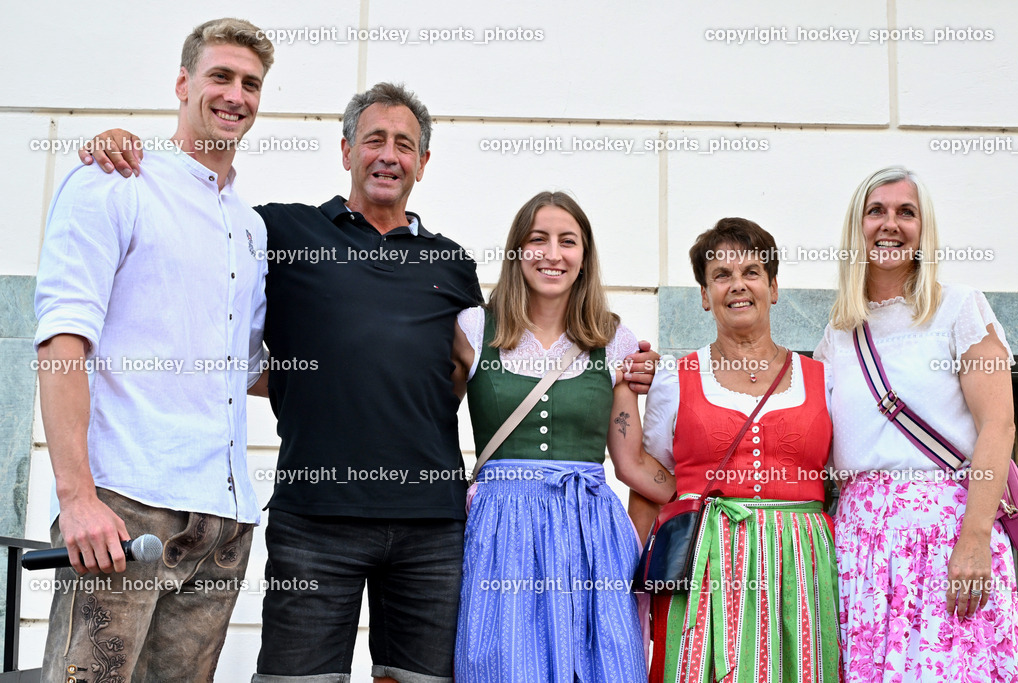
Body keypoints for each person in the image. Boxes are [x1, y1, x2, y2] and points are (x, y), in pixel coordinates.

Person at [79, 84, 661, 683]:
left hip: (431, 527)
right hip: (315, 516)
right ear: (346, 150)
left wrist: (629, 367)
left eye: (404, 144)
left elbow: (490, 364)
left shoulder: (453, 265)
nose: (388, 154)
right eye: (374, 140)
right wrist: (137, 155)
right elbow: (205, 219)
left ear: (423, 163)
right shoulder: (282, 232)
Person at [33, 18, 273, 682]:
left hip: (222, 521)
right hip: (122, 506)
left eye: (250, 83)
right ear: (183, 83)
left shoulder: (250, 228)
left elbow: (247, 368)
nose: (236, 94)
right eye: (220, 76)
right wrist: (76, 494)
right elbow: (61, 343)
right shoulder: (115, 181)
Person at [450, 191, 675, 682]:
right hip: (500, 532)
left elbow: (632, 463)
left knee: (601, 667)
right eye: (539, 240)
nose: (553, 254)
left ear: (584, 257)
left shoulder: (612, 339)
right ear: (517, 252)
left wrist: (706, 475)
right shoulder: (474, 328)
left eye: (567, 241)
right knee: (499, 665)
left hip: (589, 531)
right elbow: (427, 423)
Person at [814, 166, 1018, 682]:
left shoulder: (959, 308)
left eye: (906, 212)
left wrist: (974, 537)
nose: (891, 224)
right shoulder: (837, 336)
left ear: (923, 228)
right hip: (858, 548)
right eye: (876, 211)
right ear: (856, 227)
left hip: (949, 536)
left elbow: (999, 425)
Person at [642, 218, 841, 682]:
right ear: (704, 295)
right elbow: (653, 483)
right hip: (705, 564)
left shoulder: (824, 378)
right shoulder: (674, 379)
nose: (738, 285)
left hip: (800, 565)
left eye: (751, 272)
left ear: (773, 288)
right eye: (721, 275)